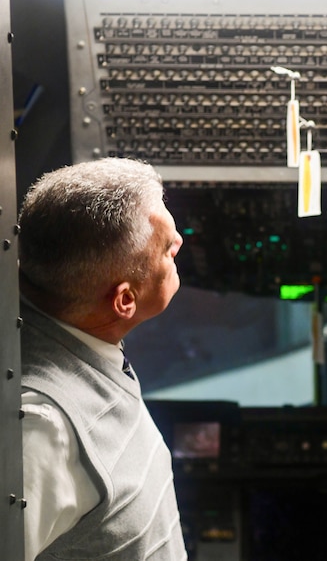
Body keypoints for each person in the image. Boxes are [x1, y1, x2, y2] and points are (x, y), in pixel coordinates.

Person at [17, 158, 187, 560]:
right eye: (166, 248)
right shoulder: (44, 432)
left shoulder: (79, 335)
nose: (179, 240)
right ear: (124, 300)